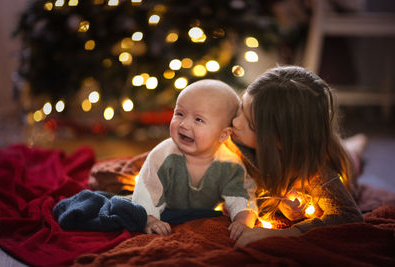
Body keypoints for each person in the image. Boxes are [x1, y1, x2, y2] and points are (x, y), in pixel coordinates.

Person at [230, 66, 364, 246]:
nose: (235, 123)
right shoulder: (237, 139)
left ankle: (358, 144)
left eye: (251, 125)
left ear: (281, 141)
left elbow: (349, 216)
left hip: (345, 159)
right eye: (240, 109)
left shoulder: (317, 171)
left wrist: (290, 233)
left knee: (352, 153)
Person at [132, 79, 258, 240]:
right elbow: (147, 189)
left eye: (198, 119)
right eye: (179, 114)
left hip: (200, 215)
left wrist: (243, 220)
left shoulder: (229, 164)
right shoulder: (164, 155)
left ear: (223, 135)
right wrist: (149, 219)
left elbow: (242, 195)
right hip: (164, 210)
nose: (184, 124)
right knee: (125, 207)